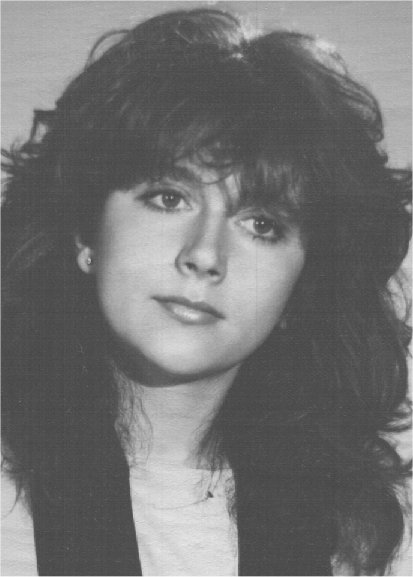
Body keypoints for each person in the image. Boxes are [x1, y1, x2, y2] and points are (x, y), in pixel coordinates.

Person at [1, 7, 411, 576]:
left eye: (262, 224)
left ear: (303, 286)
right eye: (169, 198)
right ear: (86, 230)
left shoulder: (367, 534)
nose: (204, 255)